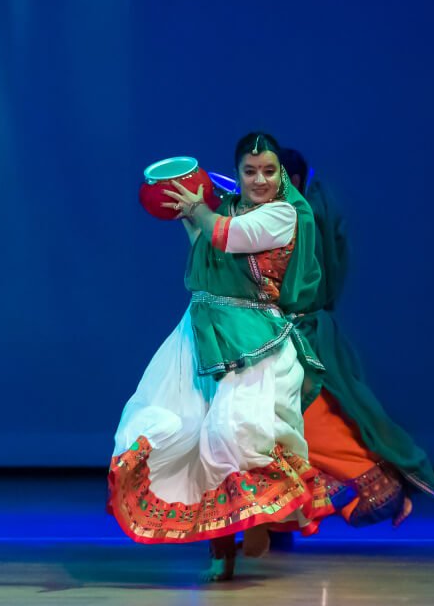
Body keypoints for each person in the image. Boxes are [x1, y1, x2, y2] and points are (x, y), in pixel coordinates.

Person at [108, 132, 335, 582]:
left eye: (269, 171)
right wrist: (184, 213)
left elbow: (227, 236)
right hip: (200, 335)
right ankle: (220, 551)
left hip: (254, 342)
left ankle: (259, 521)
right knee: (190, 435)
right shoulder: (226, 207)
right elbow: (204, 241)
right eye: (250, 172)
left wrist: (199, 210)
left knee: (232, 435)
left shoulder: (284, 214)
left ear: (282, 175)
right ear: (238, 172)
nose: (259, 180)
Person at [279, 148, 434, 528]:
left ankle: (375, 488)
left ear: (295, 181)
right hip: (289, 336)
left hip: (299, 339)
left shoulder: (301, 219)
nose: (261, 182)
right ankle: (279, 522)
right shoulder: (306, 212)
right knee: (279, 432)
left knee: (303, 425)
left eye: (272, 173)